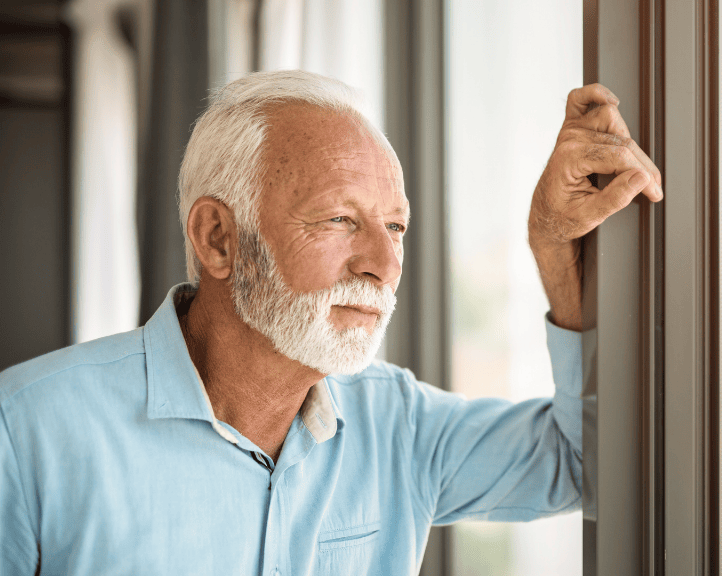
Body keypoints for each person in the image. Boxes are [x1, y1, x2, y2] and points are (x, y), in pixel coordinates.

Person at [0, 70, 662, 575]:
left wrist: (555, 248)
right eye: (340, 220)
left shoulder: (399, 426)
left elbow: (595, 468)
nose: (382, 264)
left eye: (395, 226)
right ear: (219, 238)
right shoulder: (24, 433)